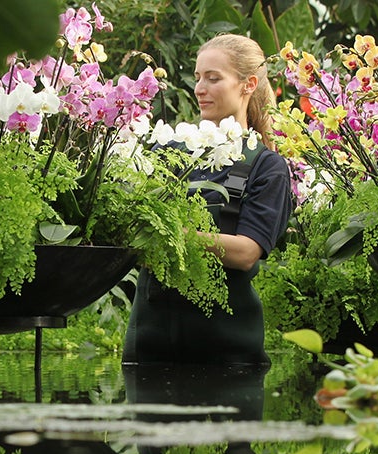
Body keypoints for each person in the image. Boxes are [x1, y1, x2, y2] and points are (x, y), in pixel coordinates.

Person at [124, 33, 295, 366]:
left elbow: (247, 252)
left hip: (227, 351)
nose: (200, 88)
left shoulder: (265, 165)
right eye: (199, 77)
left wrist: (175, 237)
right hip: (150, 345)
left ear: (248, 85)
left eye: (214, 78)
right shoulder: (168, 150)